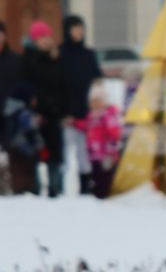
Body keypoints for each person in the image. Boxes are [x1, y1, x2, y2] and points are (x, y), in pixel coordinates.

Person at [21, 20, 67, 196]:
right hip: (35, 114)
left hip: (54, 112)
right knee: (34, 151)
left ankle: (56, 187)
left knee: (55, 150)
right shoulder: (27, 60)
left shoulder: (56, 59)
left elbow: (63, 86)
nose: (46, 40)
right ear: (34, 39)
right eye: (41, 37)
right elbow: (25, 87)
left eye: (48, 36)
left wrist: (64, 109)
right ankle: (35, 186)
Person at [58, 15, 102, 195]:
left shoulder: (88, 54)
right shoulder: (60, 53)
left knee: (84, 152)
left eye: (81, 28)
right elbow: (57, 84)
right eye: (75, 28)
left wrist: (96, 107)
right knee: (64, 152)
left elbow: (97, 81)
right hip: (66, 112)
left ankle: (85, 185)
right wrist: (62, 111)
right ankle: (58, 185)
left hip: (86, 112)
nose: (79, 32)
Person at [0, 19, 38, 195]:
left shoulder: (16, 61)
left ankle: (20, 187)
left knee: (17, 153)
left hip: (12, 116)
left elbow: (26, 87)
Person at [82, 81, 123, 200]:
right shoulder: (91, 115)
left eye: (97, 101)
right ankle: (97, 195)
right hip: (94, 153)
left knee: (106, 176)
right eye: (92, 101)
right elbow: (86, 126)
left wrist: (113, 146)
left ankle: (106, 195)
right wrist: (74, 123)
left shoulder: (108, 115)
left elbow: (115, 131)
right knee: (96, 176)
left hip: (106, 153)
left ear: (104, 101)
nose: (95, 104)